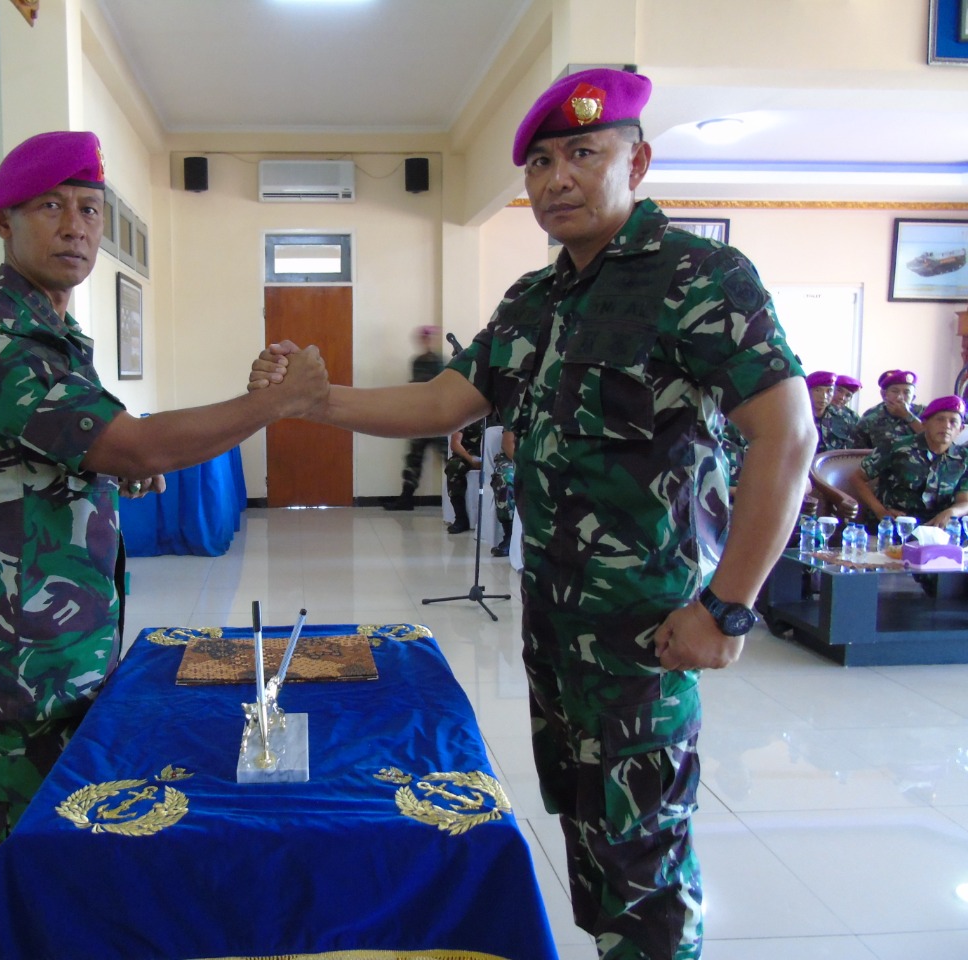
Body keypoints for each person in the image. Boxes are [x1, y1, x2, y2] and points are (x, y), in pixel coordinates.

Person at [251, 68, 816, 960]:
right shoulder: (536, 300)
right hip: (554, 627)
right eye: (542, 161)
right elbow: (446, 404)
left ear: (639, 159)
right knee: (585, 834)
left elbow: (787, 437)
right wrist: (318, 404)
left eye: (584, 153)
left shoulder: (700, 277)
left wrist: (729, 606)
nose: (558, 178)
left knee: (645, 859)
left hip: (649, 636)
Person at [0, 131, 327, 870]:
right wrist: (275, 406)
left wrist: (114, 466)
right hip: (13, 660)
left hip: (58, 642)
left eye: (89, 208)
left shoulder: (50, 331)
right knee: (19, 869)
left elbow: (92, 450)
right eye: (50, 206)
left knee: (67, 860)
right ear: (3, 222)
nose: (76, 226)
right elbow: (133, 444)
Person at [853, 395, 968, 528]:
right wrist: (880, 511)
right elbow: (857, 478)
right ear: (925, 423)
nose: (946, 426)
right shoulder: (897, 446)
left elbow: (964, 500)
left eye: (953, 422)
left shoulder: (963, 458)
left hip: (935, 530)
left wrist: (952, 512)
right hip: (892, 526)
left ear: (960, 430)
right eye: (940, 420)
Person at [383, 324, 445, 511]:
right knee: (413, 458)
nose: (425, 341)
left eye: (428, 338)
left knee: (450, 458)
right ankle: (406, 499)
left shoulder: (440, 362)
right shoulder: (417, 361)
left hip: (437, 418)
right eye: (423, 338)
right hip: (420, 418)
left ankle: (464, 502)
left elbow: (437, 389)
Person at [853, 369, 924, 449]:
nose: (900, 397)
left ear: (913, 397)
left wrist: (907, 416)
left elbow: (934, 439)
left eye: (906, 392)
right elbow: (855, 454)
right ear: (884, 394)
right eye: (895, 391)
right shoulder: (870, 417)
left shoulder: (924, 413)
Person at [444, 418, 483, 534]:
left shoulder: (499, 414)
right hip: (468, 455)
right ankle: (460, 518)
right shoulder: (470, 415)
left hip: (493, 456)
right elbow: (455, 444)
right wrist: (470, 459)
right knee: (454, 466)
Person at [809, 370, 853, 452]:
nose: (824, 396)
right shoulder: (796, 417)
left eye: (829, 391)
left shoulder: (844, 418)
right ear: (808, 391)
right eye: (817, 390)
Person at [489, 428, 517, 556]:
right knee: (505, 479)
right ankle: (509, 534)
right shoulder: (518, 410)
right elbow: (507, 444)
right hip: (513, 458)